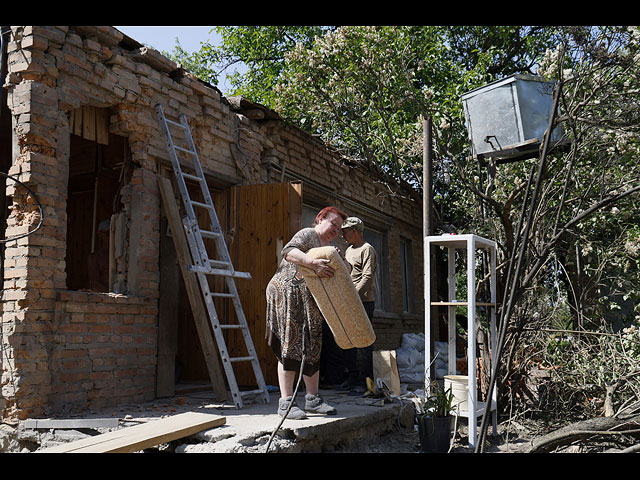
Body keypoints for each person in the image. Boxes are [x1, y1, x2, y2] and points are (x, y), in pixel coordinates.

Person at [265, 206, 348, 419]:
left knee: (313, 346)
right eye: (333, 224)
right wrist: (312, 264)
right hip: (287, 293)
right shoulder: (308, 234)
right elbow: (289, 251)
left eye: (339, 228)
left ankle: (312, 400)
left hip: (310, 300)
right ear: (320, 219)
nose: (335, 230)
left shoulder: (329, 247)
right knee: (290, 345)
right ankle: (285, 403)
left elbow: (345, 273)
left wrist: (340, 259)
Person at [338, 217, 377, 394]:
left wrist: (354, 296)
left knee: (364, 343)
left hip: (363, 302)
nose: (342, 234)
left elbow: (367, 277)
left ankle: (366, 381)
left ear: (354, 231)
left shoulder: (367, 249)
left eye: (345, 231)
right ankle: (352, 377)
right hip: (348, 300)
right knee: (348, 341)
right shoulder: (348, 250)